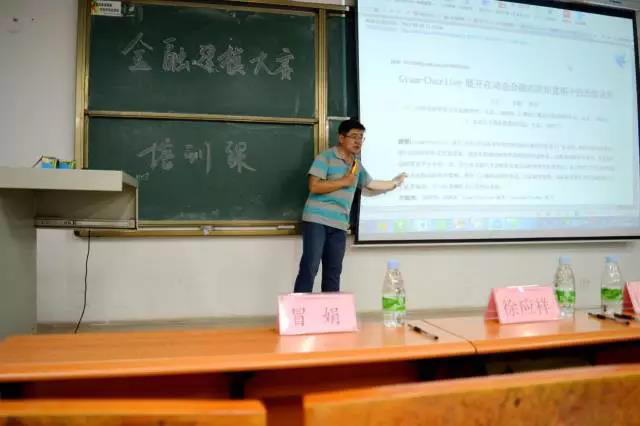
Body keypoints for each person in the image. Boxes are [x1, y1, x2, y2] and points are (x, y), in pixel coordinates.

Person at [293, 119, 406, 293]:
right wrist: (344, 181)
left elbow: (370, 185)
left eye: (361, 137)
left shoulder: (356, 165)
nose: (358, 141)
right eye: (354, 136)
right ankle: (298, 308)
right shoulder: (326, 157)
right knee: (310, 266)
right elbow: (314, 186)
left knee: (333, 272)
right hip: (316, 220)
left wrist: (394, 183)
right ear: (341, 138)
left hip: (339, 224)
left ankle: (331, 309)